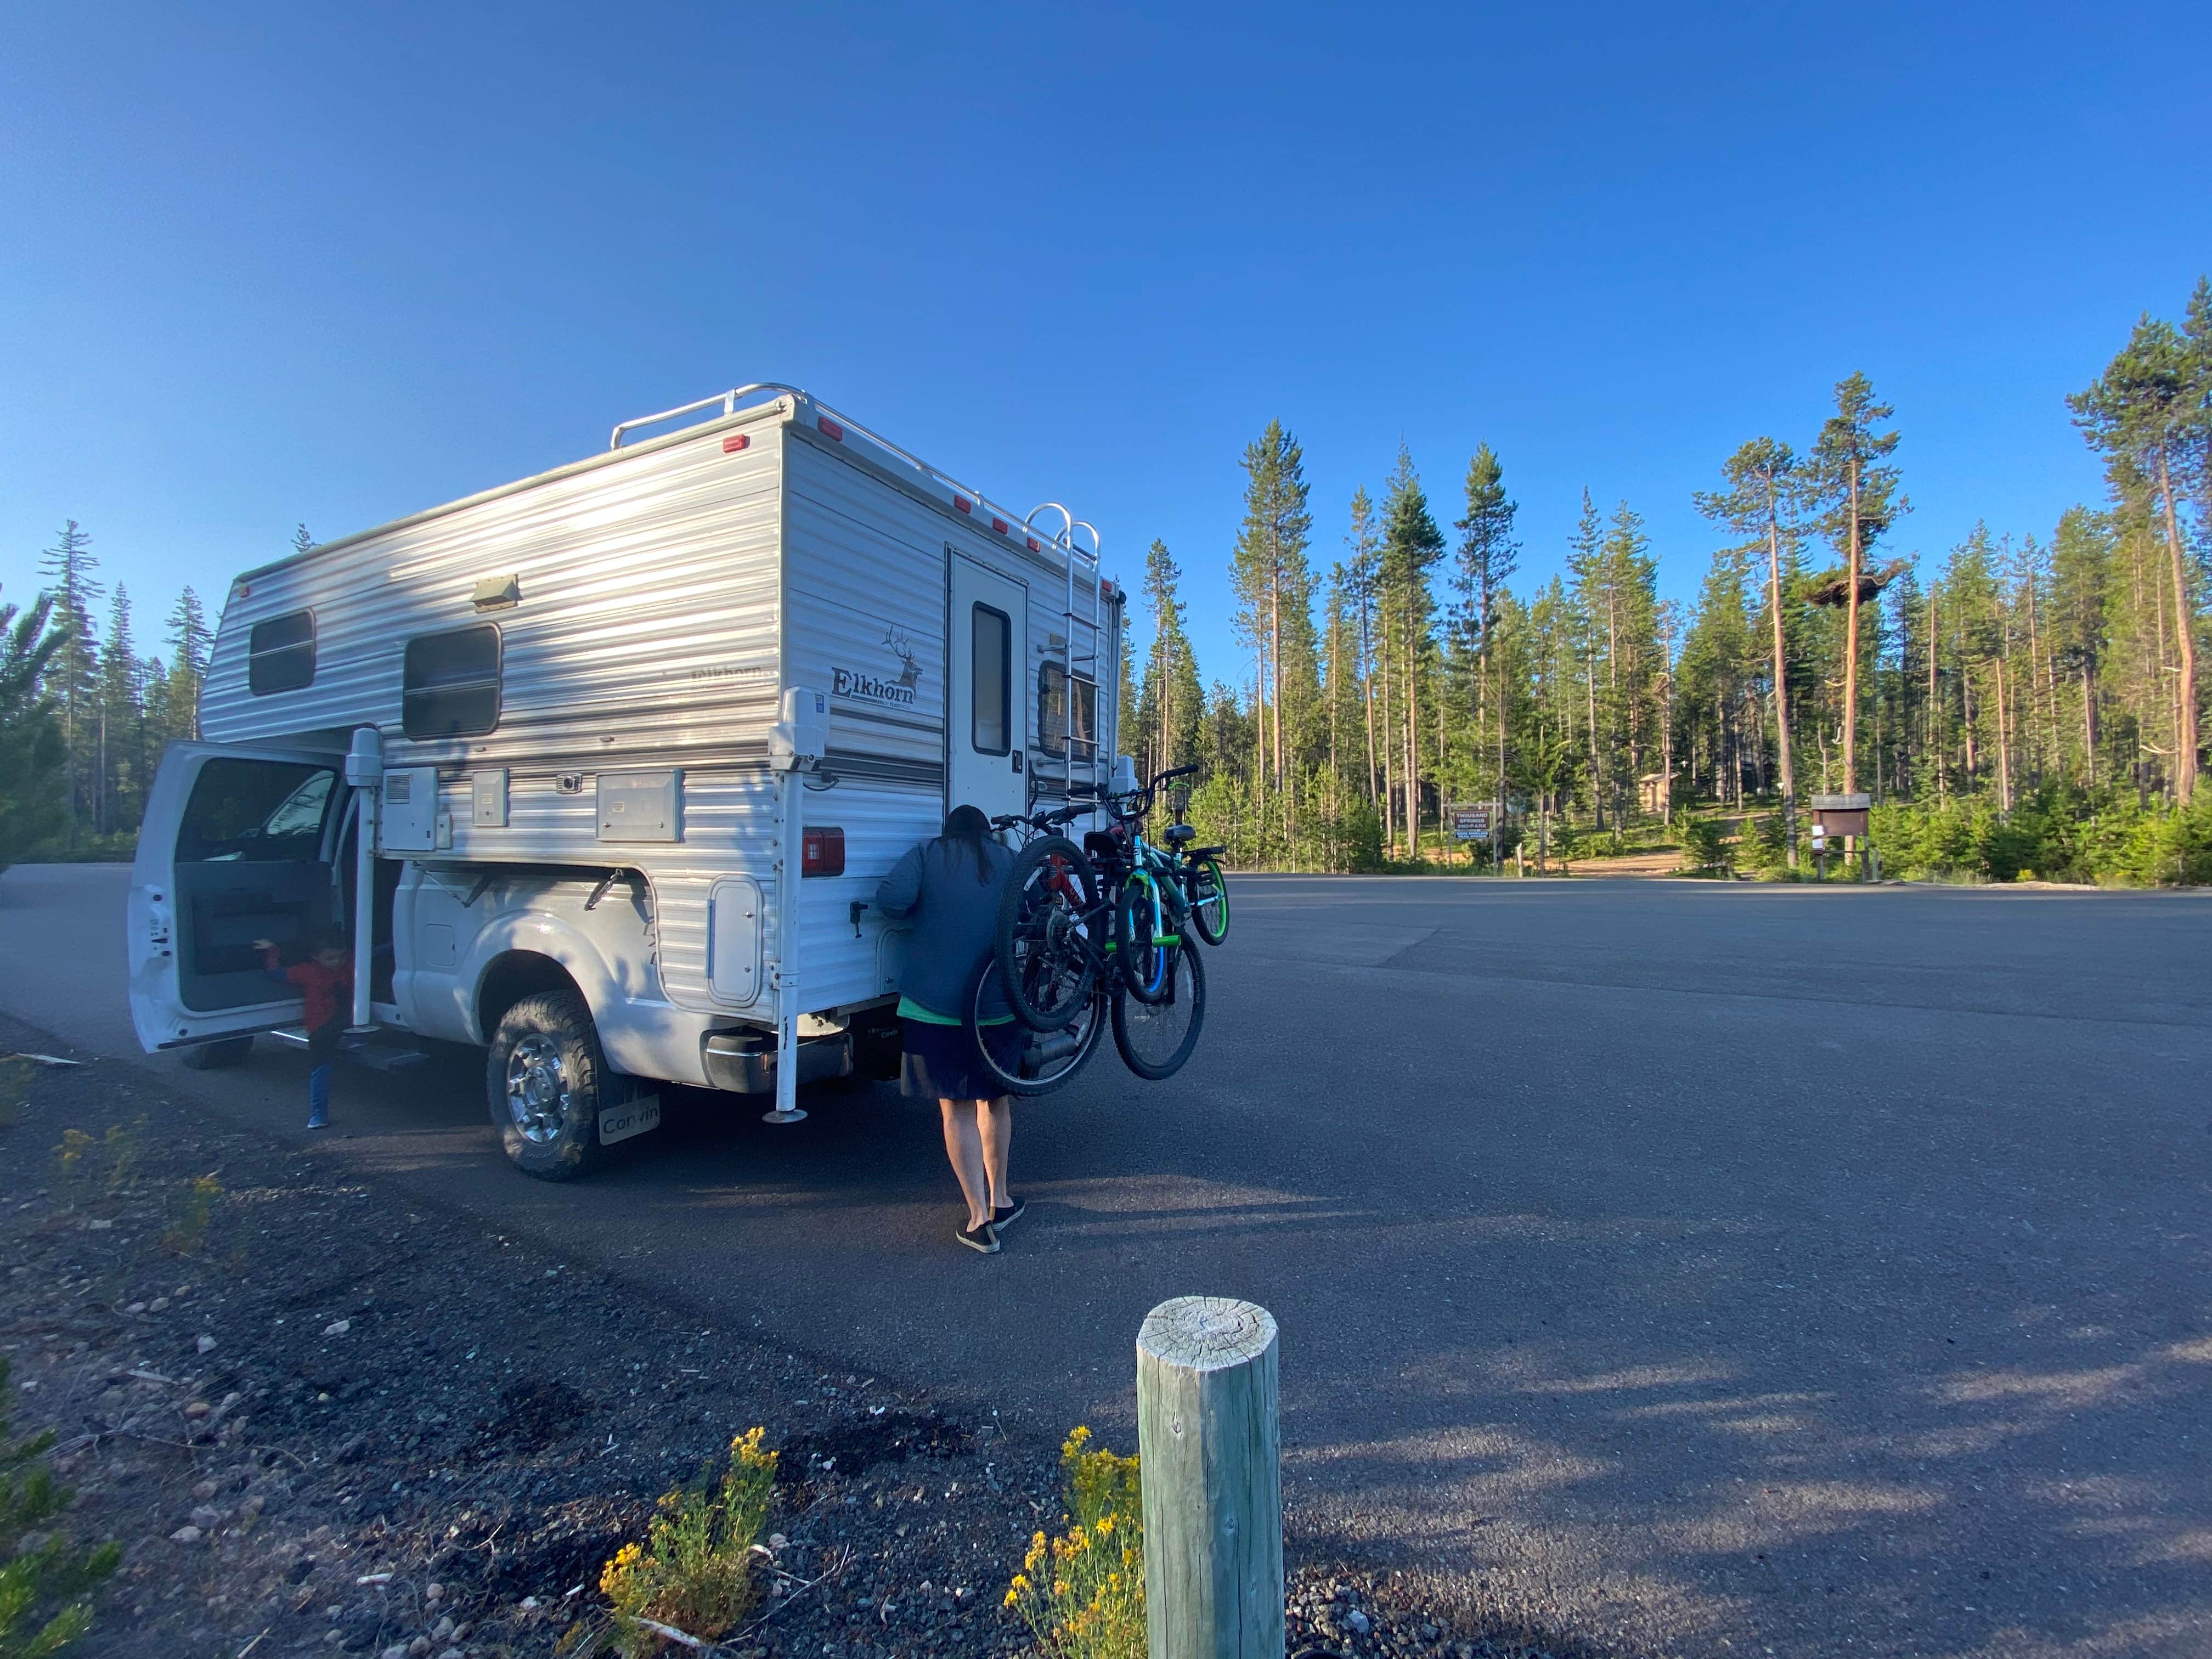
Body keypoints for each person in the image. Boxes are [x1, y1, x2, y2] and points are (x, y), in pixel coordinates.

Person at [874, 805, 1025, 1254]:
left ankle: (979, 1220)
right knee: (994, 1099)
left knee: (955, 1107)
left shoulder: (926, 854)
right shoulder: (1009, 858)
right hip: (997, 1005)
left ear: (948, 832)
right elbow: (1033, 908)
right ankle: (1001, 1199)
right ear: (986, 832)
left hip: (934, 1008)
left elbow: (891, 901)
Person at [252, 930, 354, 1130]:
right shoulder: (306, 972)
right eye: (330, 958)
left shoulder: (349, 965)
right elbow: (275, 973)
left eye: (341, 956)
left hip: (344, 1021)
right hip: (321, 1027)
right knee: (321, 1069)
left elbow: (373, 954)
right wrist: (272, 951)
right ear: (315, 957)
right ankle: (318, 1114)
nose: (337, 962)